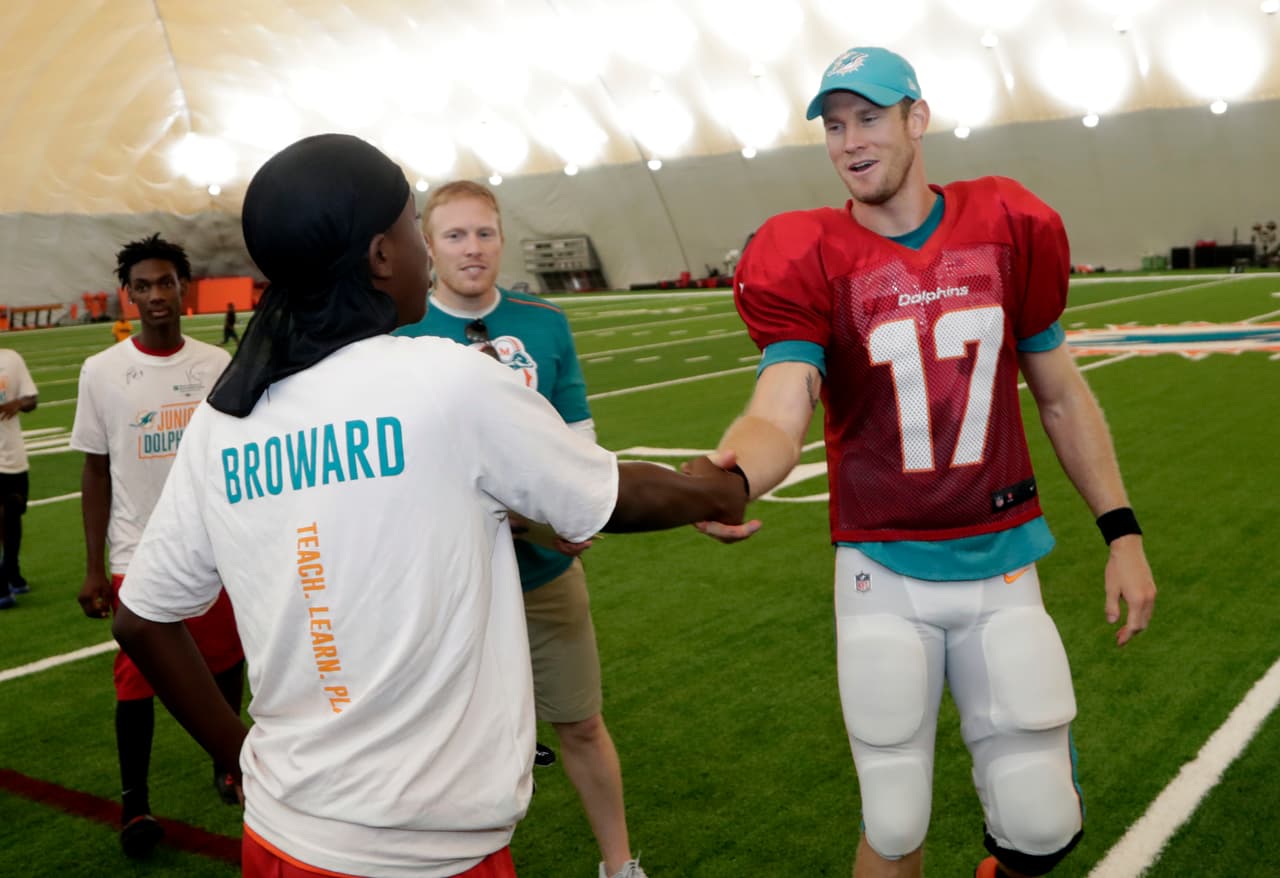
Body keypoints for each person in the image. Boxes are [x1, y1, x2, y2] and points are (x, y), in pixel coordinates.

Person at [109, 133, 747, 878]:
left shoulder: (223, 420)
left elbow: (141, 619)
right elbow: (611, 499)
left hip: (280, 837)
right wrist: (720, 489)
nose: (427, 248)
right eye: (415, 227)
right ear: (382, 255)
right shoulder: (446, 381)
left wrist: (238, 754)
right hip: (428, 856)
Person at [692, 47, 1157, 878]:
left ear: (918, 118)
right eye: (835, 126)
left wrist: (1120, 531)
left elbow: (1059, 394)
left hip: (1002, 557)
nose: (850, 141)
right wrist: (732, 477)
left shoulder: (1006, 224)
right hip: (882, 567)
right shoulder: (810, 251)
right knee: (894, 817)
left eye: (869, 118)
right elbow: (779, 407)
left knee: (1041, 822)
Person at [396, 180, 644, 878]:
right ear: (428, 246)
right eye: (455, 235)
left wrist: (571, 509)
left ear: (502, 239)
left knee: (582, 723)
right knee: (447, 740)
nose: (472, 249)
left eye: (484, 233)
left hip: (545, 574)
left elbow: (577, 438)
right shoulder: (400, 336)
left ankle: (620, 865)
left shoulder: (544, 322)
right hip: (451, 578)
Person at [72, 233, 246, 858]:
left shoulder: (216, 365)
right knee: (135, 681)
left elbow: (238, 456)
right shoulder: (102, 372)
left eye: (165, 283)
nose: (154, 296)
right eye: (142, 286)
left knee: (227, 661)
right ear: (128, 295)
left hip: (214, 547)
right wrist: (94, 567)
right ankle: (135, 805)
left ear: (183, 288)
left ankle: (228, 763)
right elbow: (95, 470)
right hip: (137, 552)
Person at [0, 347, 37, 609]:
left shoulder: (11, 358)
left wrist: (19, 403)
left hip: (12, 455)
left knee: (13, 515)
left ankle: (11, 571)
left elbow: (31, 399)